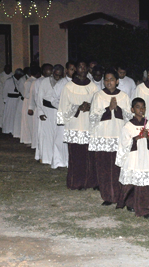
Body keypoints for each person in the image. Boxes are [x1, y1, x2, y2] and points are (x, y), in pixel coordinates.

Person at [89, 68, 132, 205]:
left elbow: (129, 117)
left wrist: (117, 109)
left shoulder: (124, 96)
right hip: (103, 136)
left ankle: (120, 195)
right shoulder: (98, 96)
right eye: (106, 80)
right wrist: (108, 109)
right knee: (104, 167)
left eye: (112, 79)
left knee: (119, 167)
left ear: (117, 81)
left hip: (119, 136)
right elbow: (93, 117)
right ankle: (107, 196)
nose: (109, 82)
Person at [115, 97, 149, 219]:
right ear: (132, 109)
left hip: (145, 159)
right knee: (130, 183)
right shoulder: (128, 126)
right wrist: (137, 138)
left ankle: (145, 210)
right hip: (133, 158)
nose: (141, 109)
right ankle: (129, 203)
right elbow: (124, 143)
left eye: (143, 107)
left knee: (144, 186)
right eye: (138, 107)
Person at [57, 60, 99, 190]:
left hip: (88, 125)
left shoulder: (93, 87)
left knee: (90, 156)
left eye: (84, 66)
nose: (82, 69)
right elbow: (63, 107)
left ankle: (90, 182)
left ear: (87, 69)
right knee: (76, 156)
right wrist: (77, 107)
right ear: (75, 69)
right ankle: (76, 182)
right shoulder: (68, 87)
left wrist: (91, 107)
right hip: (74, 125)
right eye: (79, 67)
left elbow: (99, 105)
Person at [37, 64, 64, 165]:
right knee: (47, 136)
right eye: (56, 74)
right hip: (47, 111)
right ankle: (47, 158)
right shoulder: (44, 82)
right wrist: (40, 112)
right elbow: (39, 98)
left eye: (60, 75)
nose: (57, 77)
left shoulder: (64, 83)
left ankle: (58, 159)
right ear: (53, 72)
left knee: (58, 136)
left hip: (58, 111)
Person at [50, 61, 75, 169]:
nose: (73, 71)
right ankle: (59, 161)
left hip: (75, 116)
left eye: (75, 69)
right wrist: (63, 108)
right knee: (60, 139)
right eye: (71, 69)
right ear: (66, 70)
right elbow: (53, 100)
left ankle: (72, 162)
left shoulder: (79, 83)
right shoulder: (61, 84)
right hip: (63, 115)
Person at [28, 64, 53, 154]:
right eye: (47, 70)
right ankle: (41, 152)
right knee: (41, 132)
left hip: (52, 110)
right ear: (43, 71)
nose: (49, 72)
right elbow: (34, 96)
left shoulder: (55, 81)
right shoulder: (37, 82)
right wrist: (31, 108)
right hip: (40, 109)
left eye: (51, 70)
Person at [20, 66, 41, 145]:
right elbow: (26, 94)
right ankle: (28, 140)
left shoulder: (36, 81)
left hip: (33, 102)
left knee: (33, 123)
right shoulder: (29, 82)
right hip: (28, 102)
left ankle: (34, 140)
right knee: (29, 123)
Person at [2, 69, 25, 135]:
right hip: (10, 100)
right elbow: (5, 91)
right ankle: (8, 129)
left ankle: (14, 130)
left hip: (17, 99)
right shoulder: (9, 81)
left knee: (15, 115)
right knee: (9, 115)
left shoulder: (19, 80)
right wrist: (5, 100)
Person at [12, 71, 28, 138]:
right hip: (22, 101)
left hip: (26, 101)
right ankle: (18, 133)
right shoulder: (22, 80)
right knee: (20, 118)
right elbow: (23, 92)